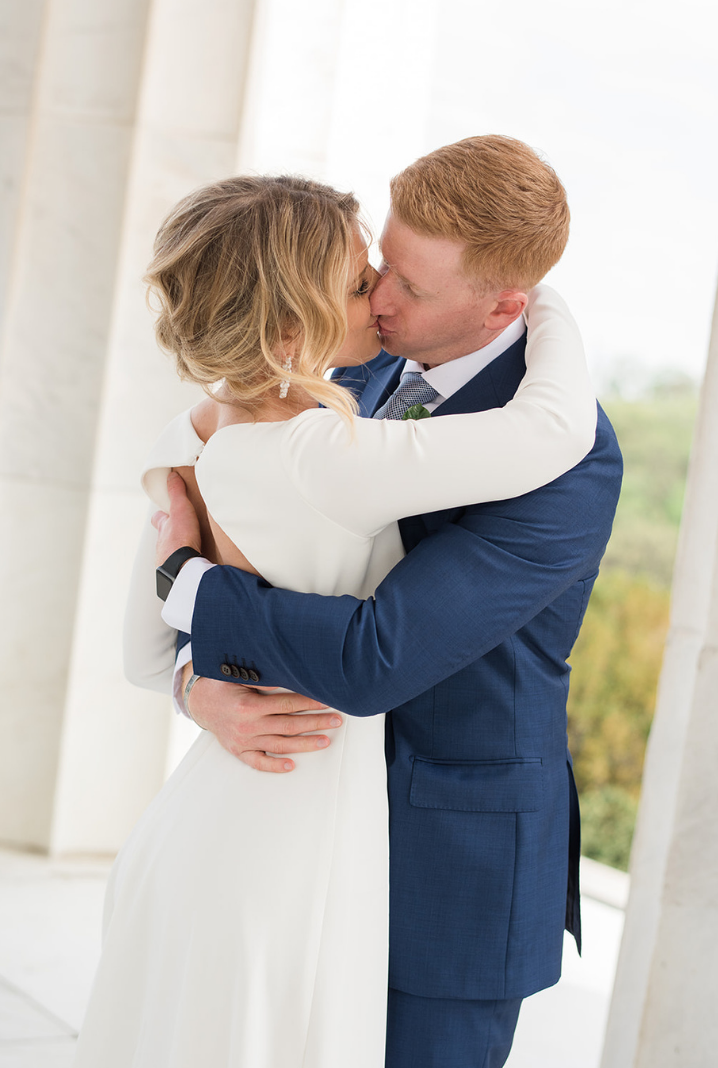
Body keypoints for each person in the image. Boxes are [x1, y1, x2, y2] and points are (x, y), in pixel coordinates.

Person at [78, 141, 617, 1068]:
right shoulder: (327, 377)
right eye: (373, 270)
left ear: (504, 305)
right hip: (292, 812)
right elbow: (170, 616)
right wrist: (195, 688)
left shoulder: (566, 461)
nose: (378, 299)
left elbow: (378, 656)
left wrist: (194, 590)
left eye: (402, 282)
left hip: (451, 874)